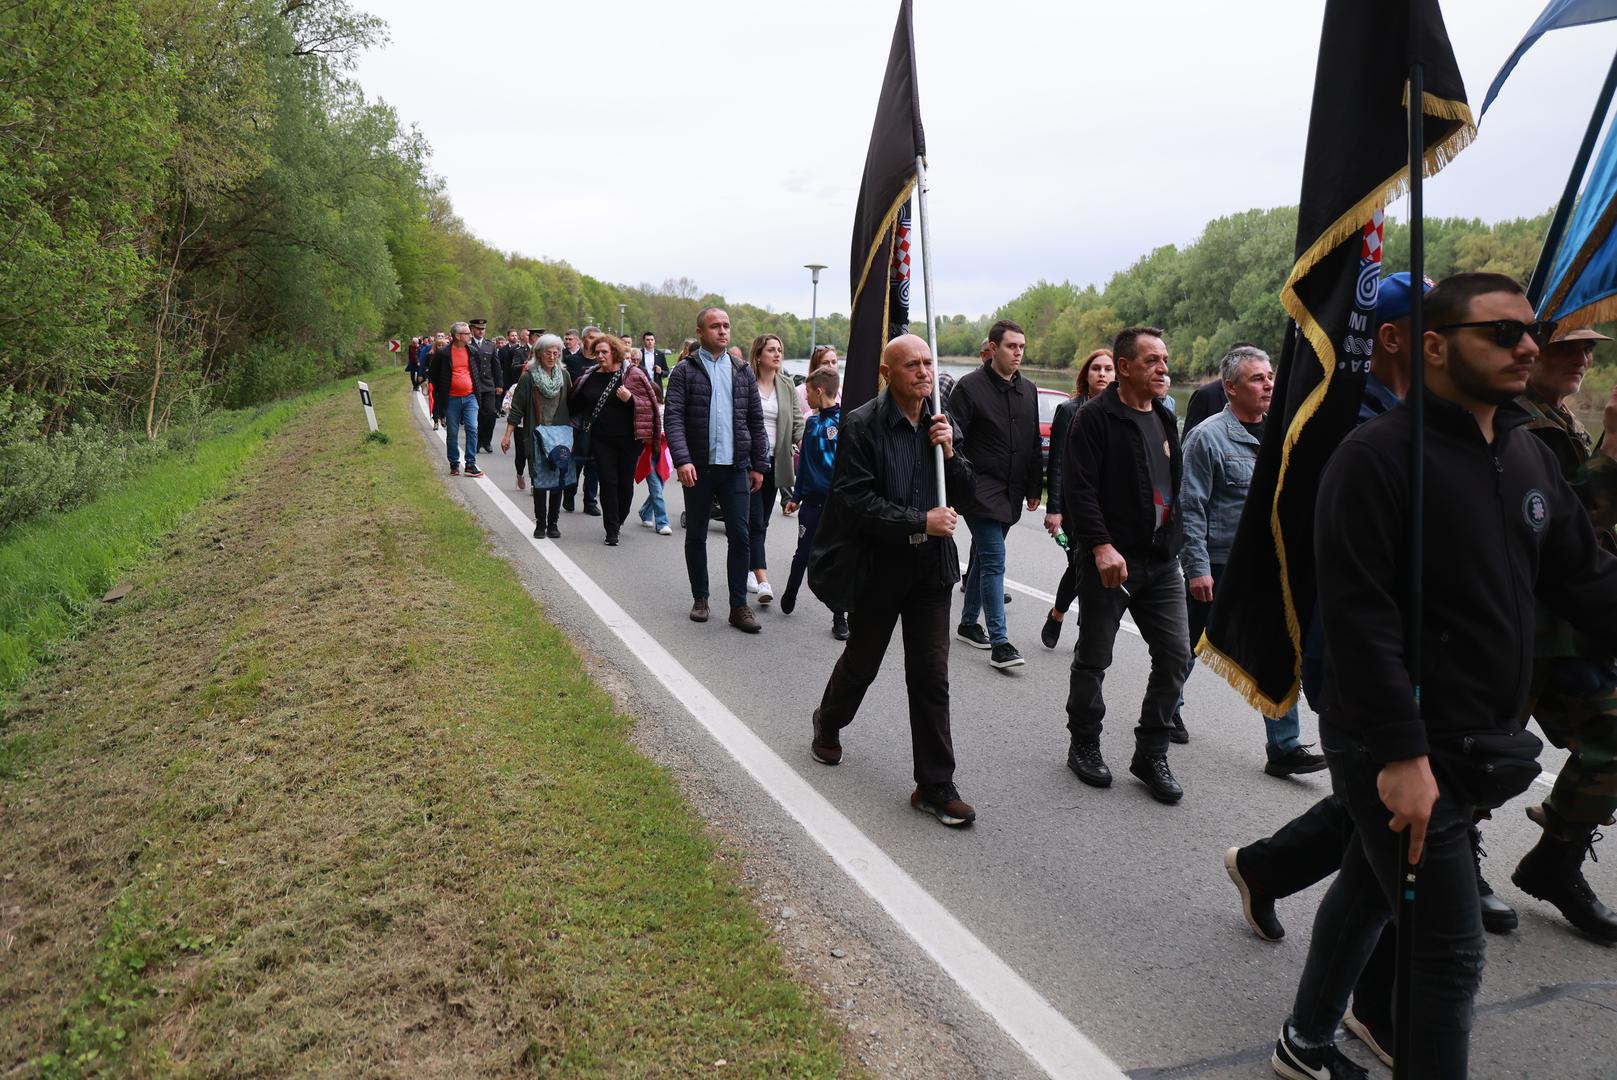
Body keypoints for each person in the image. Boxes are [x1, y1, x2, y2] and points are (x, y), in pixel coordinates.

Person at [1272, 273, 1617, 1080]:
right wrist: (1400, 757)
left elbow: (1585, 580)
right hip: (1398, 742)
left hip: (1478, 739)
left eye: (1528, 333)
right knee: (1448, 953)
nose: (1526, 347)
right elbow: (1359, 622)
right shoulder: (1375, 459)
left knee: (1365, 887)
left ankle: (1304, 1041)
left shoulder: (1527, 454)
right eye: (1500, 333)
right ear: (1431, 345)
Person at [806, 334, 977, 826]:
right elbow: (855, 501)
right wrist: (919, 521)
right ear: (887, 373)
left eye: (928, 363)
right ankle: (829, 722)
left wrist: (951, 453)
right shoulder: (861, 426)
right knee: (862, 662)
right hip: (880, 567)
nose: (924, 373)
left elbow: (966, 491)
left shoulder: (942, 422)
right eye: (912, 366)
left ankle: (934, 784)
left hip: (931, 574)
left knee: (931, 677)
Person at [1506, 324, 1617, 941]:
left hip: (1572, 629)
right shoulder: (1511, 422)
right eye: (1568, 345)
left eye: (1591, 348)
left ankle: (1555, 861)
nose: (1584, 357)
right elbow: (1550, 525)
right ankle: (1275, 865)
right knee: (1468, 762)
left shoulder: (1560, 417)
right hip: (1517, 626)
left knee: (1612, 739)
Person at [1178, 345, 1324, 777]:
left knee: (1278, 648)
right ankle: (1164, 711)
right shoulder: (1207, 437)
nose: (1269, 385)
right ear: (1231, 387)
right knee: (1188, 645)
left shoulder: (1284, 433)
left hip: (1271, 563)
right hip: (1222, 563)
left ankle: (1284, 748)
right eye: (1258, 379)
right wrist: (1197, 567)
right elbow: (1191, 507)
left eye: (1270, 377)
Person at [1062, 325, 1188, 803]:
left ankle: (1150, 751)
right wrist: (1098, 547)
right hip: (1110, 562)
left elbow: (1172, 487)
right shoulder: (1094, 418)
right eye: (1152, 360)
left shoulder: (1165, 417)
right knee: (1095, 658)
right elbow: (1080, 489)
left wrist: (1177, 539)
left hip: (1161, 562)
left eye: (1165, 359)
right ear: (1126, 366)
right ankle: (1084, 743)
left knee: (1176, 654)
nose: (1163, 368)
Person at [664, 307, 770, 633]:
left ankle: (739, 606)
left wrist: (759, 464)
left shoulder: (742, 370)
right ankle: (701, 598)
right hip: (699, 468)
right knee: (696, 534)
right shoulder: (684, 371)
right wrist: (682, 460)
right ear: (700, 332)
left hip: (737, 467)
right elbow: (674, 419)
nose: (723, 331)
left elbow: (755, 420)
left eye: (726, 326)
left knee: (740, 536)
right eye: (715, 326)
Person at [950, 319, 1043, 669]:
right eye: (1011, 346)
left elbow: (1032, 441)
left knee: (984, 557)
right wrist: (957, 484)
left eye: (1021, 347)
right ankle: (1000, 642)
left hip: (1012, 490)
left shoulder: (1029, 389)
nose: (1017, 352)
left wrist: (1035, 487)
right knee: (994, 558)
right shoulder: (969, 387)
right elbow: (954, 441)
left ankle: (968, 621)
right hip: (978, 487)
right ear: (992, 348)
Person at [1040, 348, 1114, 649]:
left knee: (1097, 566)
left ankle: (1086, 628)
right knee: (1078, 564)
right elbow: (1056, 462)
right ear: (1086, 374)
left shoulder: (1120, 411)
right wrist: (1054, 509)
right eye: (1096, 368)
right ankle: (1059, 614)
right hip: (1075, 505)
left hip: (1109, 506)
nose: (1102, 374)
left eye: (1108, 369)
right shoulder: (1070, 410)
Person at [568, 334, 660, 546]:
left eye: (604, 352)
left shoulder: (633, 375)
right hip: (601, 439)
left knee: (625, 484)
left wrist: (631, 400)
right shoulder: (589, 376)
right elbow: (576, 403)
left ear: (615, 353)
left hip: (629, 440)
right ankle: (611, 529)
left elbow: (650, 405)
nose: (600, 356)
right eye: (597, 352)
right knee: (608, 482)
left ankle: (619, 519)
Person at [782, 366, 847, 639]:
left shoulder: (846, 421)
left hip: (837, 505)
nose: (805, 397)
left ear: (819, 391)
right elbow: (805, 465)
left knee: (839, 559)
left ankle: (839, 616)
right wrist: (796, 497)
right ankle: (791, 592)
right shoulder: (811, 423)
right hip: (811, 503)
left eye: (808, 391)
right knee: (804, 552)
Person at [745, 334, 804, 605]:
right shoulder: (745, 382)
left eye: (780, 349)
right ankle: (762, 578)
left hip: (775, 462)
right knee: (755, 520)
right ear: (759, 355)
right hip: (749, 462)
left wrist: (809, 443)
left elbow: (797, 421)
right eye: (771, 350)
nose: (777, 354)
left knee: (763, 521)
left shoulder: (787, 384)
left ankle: (748, 566)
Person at [502, 334, 573, 538]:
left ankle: (553, 523)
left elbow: (573, 404)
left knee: (558, 479)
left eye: (556, 353)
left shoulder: (564, 376)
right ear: (539, 354)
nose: (552, 356)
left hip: (560, 436)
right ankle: (540, 524)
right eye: (548, 353)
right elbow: (517, 409)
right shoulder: (528, 378)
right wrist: (507, 435)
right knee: (540, 481)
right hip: (536, 435)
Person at [433, 321, 488, 479]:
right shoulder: (443, 354)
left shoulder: (472, 351)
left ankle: (470, 464)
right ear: (458, 336)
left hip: (470, 397)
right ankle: (454, 463)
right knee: (452, 433)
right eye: (467, 333)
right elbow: (435, 375)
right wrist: (441, 392)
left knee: (472, 428)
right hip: (451, 399)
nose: (470, 335)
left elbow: (476, 371)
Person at [563, 328, 602, 515]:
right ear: (584, 339)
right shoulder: (571, 361)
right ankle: (569, 493)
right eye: (591, 338)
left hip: (598, 420)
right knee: (577, 460)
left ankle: (590, 500)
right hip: (577, 419)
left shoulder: (603, 362)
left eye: (598, 339)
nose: (594, 342)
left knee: (594, 463)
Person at [467, 319, 501, 453]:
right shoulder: (467, 345)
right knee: (477, 414)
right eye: (478, 329)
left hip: (488, 385)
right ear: (472, 329)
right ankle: (478, 441)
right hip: (472, 385)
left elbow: (496, 367)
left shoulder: (490, 345)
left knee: (490, 413)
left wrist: (499, 384)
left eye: (483, 329)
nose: (481, 331)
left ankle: (487, 440)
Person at [797, 345, 839, 417]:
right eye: (825, 363)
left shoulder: (841, 392)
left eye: (834, 362)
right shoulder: (799, 392)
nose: (831, 366)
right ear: (815, 366)